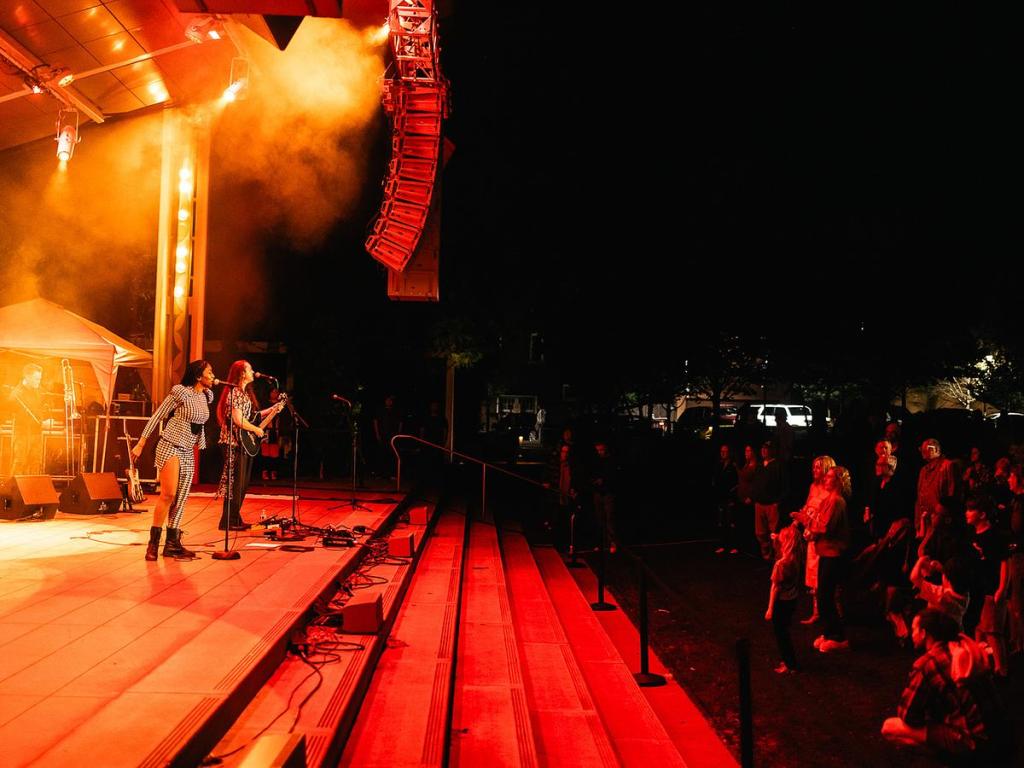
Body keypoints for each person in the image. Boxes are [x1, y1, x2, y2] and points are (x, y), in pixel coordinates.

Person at [882, 609, 1005, 762]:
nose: (912, 634)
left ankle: (954, 758)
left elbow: (908, 715)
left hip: (973, 741)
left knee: (890, 727)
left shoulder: (928, 663)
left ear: (924, 633)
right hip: (999, 734)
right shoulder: (965, 649)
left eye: (914, 629)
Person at [131, 360, 216, 560]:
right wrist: (141, 443)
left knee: (181, 498)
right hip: (170, 445)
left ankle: (172, 544)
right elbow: (157, 416)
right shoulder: (181, 392)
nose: (213, 376)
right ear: (198, 376)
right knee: (168, 494)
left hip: (188, 450)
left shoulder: (206, 395)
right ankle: (153, 545)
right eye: (209, 372)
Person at [216, 360, 284, 531]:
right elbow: (238, 420)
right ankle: (228, 521)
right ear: (241, 373)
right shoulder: (235, 393)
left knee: (243, 483)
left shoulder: (245, 394)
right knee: (236, 483)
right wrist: (256, 430)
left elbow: (252, 417)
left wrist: (273, 409)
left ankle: (234, 518)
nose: (253, 372)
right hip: (232, 442)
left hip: (242, 442)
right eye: (250, 369)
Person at [808, 465, 852, 653]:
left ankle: (839, 637)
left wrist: (809, 526)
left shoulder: (837, 502)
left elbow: (826, 527)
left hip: (833, 554)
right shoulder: (829, 500)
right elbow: (819, 522)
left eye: (829, 477)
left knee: (826, 596)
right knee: (822, 595)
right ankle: (828, 633)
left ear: (838, 481)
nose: (825, 479)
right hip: (825, 552)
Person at [791, 455, 836, 623]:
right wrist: (796, 521)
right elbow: (808, 506)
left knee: (822, 575)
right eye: (814, 467)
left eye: (818, 467)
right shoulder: (813, 486)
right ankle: (817, 612)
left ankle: (832, 613)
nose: (814, 470)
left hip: (822, 536)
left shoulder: (830, 491)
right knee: (812, 573)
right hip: (810, 534)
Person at [766, 523, 805, 673]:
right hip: (792, 600)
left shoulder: (781, 565)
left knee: (781, 634)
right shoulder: (796, 558)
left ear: (786, 542)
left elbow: (775, 587)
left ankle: (789, 664)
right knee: (785, 629)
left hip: (781, 602)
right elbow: (792, 539)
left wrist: (770, 608)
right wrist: (778, 538)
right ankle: (789, 662)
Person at [7, 363, 47, 476]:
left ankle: (32, 486)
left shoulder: (39, 390)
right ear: (27, 377)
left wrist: (44, 420)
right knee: (20, 462)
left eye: (40, 378)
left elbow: (39, 409)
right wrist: (42, 422)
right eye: (36, 379)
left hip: (36, 432)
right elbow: (22, 414)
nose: (39, 381)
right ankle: (13, 487)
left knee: (35, 462)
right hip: (22, 433)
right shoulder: (17, 393)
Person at [712, 444, 739, 554]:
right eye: (721, 451)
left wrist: (732, 495)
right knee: (721, 522)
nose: (723, 453)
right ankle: (722, 545)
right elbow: (716, 480)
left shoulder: (733, 466)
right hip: (721, 498)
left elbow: (736, 482)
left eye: (725, 451)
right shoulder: (719, 465)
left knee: (731, 522)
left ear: (729, 452)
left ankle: (733, 545)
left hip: (730, 498)